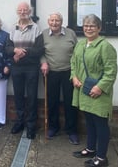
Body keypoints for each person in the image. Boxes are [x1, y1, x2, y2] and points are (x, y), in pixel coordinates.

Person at [71, 14, 117, 167]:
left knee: (100, 124)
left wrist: (100, 87)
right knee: (89, 122)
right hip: (83, 91)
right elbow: (74, 63)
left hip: (98, 93)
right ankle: (91, 149)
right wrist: (74, 77)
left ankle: (102, 158)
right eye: (86, 25)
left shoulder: (105, 46)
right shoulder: (81, 44)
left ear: (99, 28)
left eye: (92, 26)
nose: (88, 28)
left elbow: (111, 71)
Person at [6, 2, 44, 139]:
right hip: (16, 67)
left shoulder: (36, 28)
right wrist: (15, 50)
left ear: (29, 11)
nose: (23, 12)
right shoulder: (13, 27)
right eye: (20, 10)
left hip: (31, 67)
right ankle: (20, 122)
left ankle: (31, 125)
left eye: (25, 10)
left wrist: (24, 52)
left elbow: (40, 49)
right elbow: (7, 48)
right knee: (18, 96)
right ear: (17, 12)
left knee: (32, 97)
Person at [40, 12, 79, 144]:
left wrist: (76, 72)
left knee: (70, 102)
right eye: (52, 20)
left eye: (57, 20)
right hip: (50, 72)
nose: (54, 23)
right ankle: (53, 127)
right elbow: (40, 52)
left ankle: (72, 130)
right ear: (48, 22)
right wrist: (43, 62)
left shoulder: (70, 33)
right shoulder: (44, 34)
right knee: (52, 101)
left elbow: (77, 52)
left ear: (61, 22)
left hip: (69, 72)